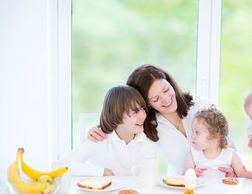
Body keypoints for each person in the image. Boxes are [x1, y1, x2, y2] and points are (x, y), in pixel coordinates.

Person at [88, 64, 234, 176]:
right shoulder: (149, 127)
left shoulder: (204, 107)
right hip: (182, 192)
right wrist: (99, 129)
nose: (166, 100)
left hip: (221, 184)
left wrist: (235, 173)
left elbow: (231, 148)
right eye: (156, 99)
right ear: (146, 104)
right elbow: (122, 123)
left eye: (166, 89)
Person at [62, 85, 157, 176]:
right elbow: (64, 165)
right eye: (135, 112)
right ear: (117, 116)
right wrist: (101, 172)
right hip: (103, 191)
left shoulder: (146, 139)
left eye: (143, 109)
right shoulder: (99, 137)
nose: (143, 115)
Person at [184, 105, 252, 180]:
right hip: (200, 192)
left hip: (222, 192)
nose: (192, 136)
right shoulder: (193, 154)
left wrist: (246, 175)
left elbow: (240, 174)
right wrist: (192, 173)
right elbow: (183, 176)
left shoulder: (230, 155)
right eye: (192, 131)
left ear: (214, 136)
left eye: (197, 132)